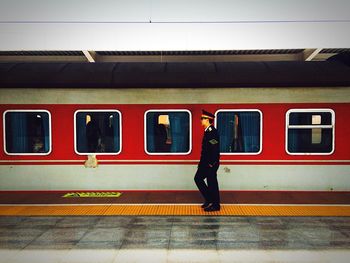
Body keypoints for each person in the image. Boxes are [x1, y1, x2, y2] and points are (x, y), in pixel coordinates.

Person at [194, 110, 221, 212]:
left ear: (208, 120)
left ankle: (216, 205)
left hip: (210, 164)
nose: (201, 120)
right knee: (198, 179)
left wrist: (212, 163)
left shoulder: (212, 132)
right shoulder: (207, 131)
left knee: (212, 183)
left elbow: (214, 149)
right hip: (205, 163)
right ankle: (209, 199)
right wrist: (201, 163)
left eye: (202, 119)